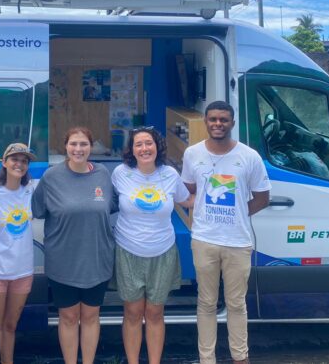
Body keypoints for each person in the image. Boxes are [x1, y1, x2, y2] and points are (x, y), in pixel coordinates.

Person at [180, 101, 271, 364]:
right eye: (212, 119)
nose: (217, 124)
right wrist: (200, 216)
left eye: (223, 119)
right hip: (204, 240)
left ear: (232, 123)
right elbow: (187, 190)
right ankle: (206, 359)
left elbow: (262, 197)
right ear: (206, 122)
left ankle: (240, 358)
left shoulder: (249, 156)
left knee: (236, 304)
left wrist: (238, 214)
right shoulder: (192, 153)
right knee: (206, 303)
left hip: (238, 242)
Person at [31, 127, 115, 364]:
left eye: (84, 144)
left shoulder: (103, 175)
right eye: (74, 144)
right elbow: (37, 209)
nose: (78, 149)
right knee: (68, 317)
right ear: (65, 147)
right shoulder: (51, 177)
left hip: (97, 260)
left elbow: (113, 205)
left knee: (90, 316)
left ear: (91, 147)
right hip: (63, 261)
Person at [112, 126, 194, 364]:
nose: (144, 148)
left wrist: (214, 195)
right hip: (128, 251)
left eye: (149, 143)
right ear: (131, 149)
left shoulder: (169, 174)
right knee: (133, 313)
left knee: (155, 313)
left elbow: (186, 199)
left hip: (162, 252)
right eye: (139, 144)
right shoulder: (120, 173)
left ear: (157, 147)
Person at [0, 143, 36, 364]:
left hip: (23, 272)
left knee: (10, 327)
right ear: (4, 162)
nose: (19, 164)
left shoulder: (31, 190)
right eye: (14, 159)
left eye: (24, 161)